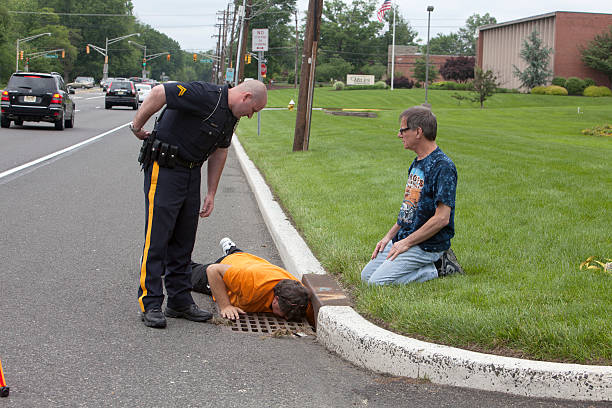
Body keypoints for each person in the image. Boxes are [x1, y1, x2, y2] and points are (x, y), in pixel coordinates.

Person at [130, 80, 268, 328]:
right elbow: (159, 92)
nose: (250, 116)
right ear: (246, 97)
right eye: (253, 110)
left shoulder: (230, 116)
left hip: (191, 171)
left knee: (184, 238)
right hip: (165, 167)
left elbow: (221, 151)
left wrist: (211, 192)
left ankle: (179, 300)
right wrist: (137, 126)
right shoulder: (204, 94)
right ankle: (150, 302)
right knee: (158, 236)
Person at [361, 106, 460, 285]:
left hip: (427, 244)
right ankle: (421, 262)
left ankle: (438, 267)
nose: (399, 135)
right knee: (366, 277)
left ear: (418, 132)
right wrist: (389, 237)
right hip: (407, 237)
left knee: (377, 283)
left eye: (403, 130)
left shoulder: (443, 167)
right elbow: (409, 209)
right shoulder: (417, 163)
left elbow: (442, 219)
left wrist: (406, 243)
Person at [191, 238, 312, 322]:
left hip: (247, 261)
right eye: (284, 314)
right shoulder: (252, 284)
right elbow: (213, 270)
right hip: (224, 272)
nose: (286, 318)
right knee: (183, 273)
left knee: (239, 258)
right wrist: (226, 306)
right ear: (276, 299)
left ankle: (232, 249)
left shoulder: (301, 301)